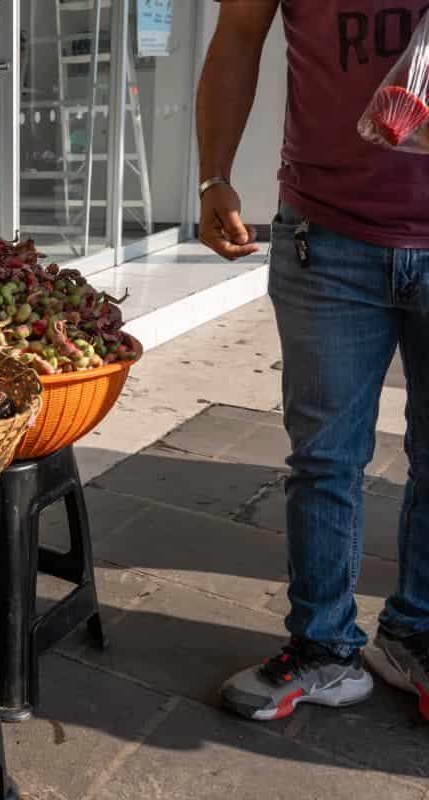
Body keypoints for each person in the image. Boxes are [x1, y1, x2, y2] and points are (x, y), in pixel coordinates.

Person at [198, 0, 428, 721]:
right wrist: (214, 177)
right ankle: (323, 649)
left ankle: (415, 636)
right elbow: (238, 33)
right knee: (325, 459)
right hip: (326, 236)